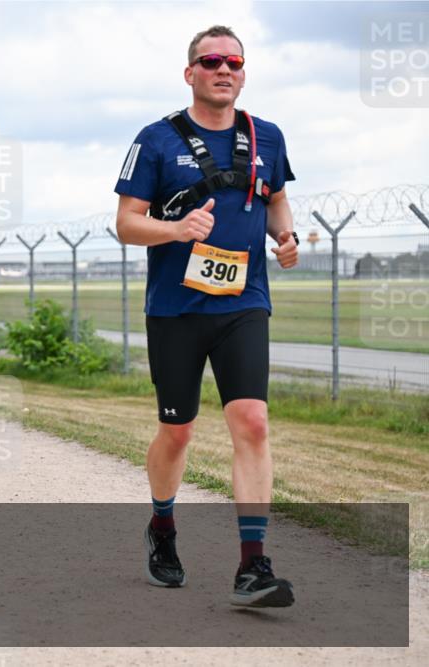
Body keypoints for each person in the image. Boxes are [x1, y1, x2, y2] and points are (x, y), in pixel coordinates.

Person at [114, 25, 299, 607]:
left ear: (243, 73)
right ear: (190, 72)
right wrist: (175, 229)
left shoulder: (266, 136)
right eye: (212, 61)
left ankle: (253, 566)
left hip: (245, 304)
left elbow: (273, 198)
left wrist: (286, 236)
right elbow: (125, 223)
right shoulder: (155, 139)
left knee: (252, 422)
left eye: (235, 62)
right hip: (176, 309)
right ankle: (163, 528)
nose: (225, 70)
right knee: (179, 430)